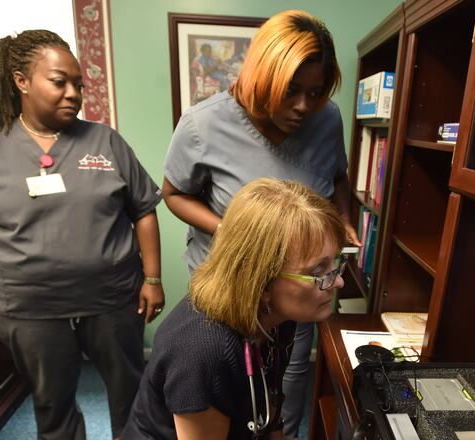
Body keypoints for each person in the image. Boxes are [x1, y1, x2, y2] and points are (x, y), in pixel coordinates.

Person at [0, 30, 164, 439]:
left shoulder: (105, 141)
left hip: (111, 299)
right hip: (30, 308)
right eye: (59, 82)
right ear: (21, 81)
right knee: (52, 402)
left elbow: (144, 211)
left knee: (131, 393)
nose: (73, 93)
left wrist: (152, 278)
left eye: (78, 85)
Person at [162, 10, 360, 436]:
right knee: (225, 377)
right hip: (234, 283)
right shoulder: (203, 123)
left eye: (317, 92)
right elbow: (173, 194)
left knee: (280, 376)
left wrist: (342, 220)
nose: (304, 107)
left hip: (299, 280)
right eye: (291, 91)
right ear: (261, 75)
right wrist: (238, 236)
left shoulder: (327, 120)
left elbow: (338, 176)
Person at [122, 178, 346, 439]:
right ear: (262, 281)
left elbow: (270, 408)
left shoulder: (276, 315)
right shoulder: (204, 352)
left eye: (335, 263)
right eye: (317, 271)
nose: (338, 281)